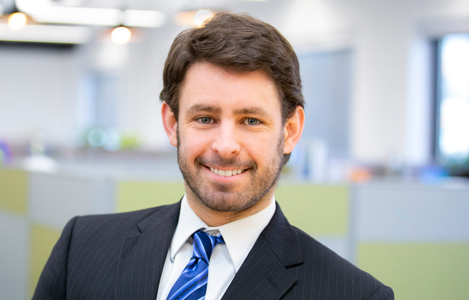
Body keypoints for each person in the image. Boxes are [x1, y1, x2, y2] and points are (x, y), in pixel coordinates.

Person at [34, 12, 394, 300]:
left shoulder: (353, 294)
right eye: (205, 118)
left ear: (290, 130)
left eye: (250, 120)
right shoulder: (81, 247)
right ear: (172, 123)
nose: (225, 145)